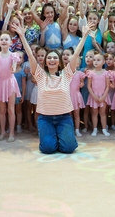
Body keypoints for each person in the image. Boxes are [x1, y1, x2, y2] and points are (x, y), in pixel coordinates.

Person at [14, 24, 80, 154]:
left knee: (69, 148)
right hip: (45, 118)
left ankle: (61, 137)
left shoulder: (66, 74)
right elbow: (30, 55)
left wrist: (84, 35)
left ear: (59, 61)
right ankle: (52, 137)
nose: (52, 60)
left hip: (64, 117)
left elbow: (76, 53)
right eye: (49, 57)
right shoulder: (40, 75)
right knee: (48, 149)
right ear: (45, 61)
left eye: (55, 57)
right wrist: (22, 36)